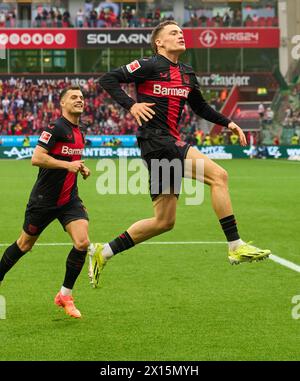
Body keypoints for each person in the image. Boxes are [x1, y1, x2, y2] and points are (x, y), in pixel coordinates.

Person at [88, 20, 271, 287]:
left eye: (181, 32)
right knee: (219, 176)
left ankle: (103, 252)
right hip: (157, 141)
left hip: (166, 144)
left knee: (164, 221)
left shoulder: (186, 73)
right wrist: (131, 106)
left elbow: (201, 107)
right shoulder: (149, 65)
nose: (180, 36)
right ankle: (235, 245)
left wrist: (228, 123)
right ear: (159, 42)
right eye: (173, 33)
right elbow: (108, 79)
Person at [0, 86, 91, 318]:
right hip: (44, 200)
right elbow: (37, 158)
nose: (79, 100)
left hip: (69, 200)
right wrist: (67, 165)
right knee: (24, 245)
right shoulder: (56, 127)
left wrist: (79, 167)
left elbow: (69, 159)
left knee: (82, 243)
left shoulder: (80, 131)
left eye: (81, 97)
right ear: (62, 103)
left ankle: (65, 295)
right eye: (74, 97)